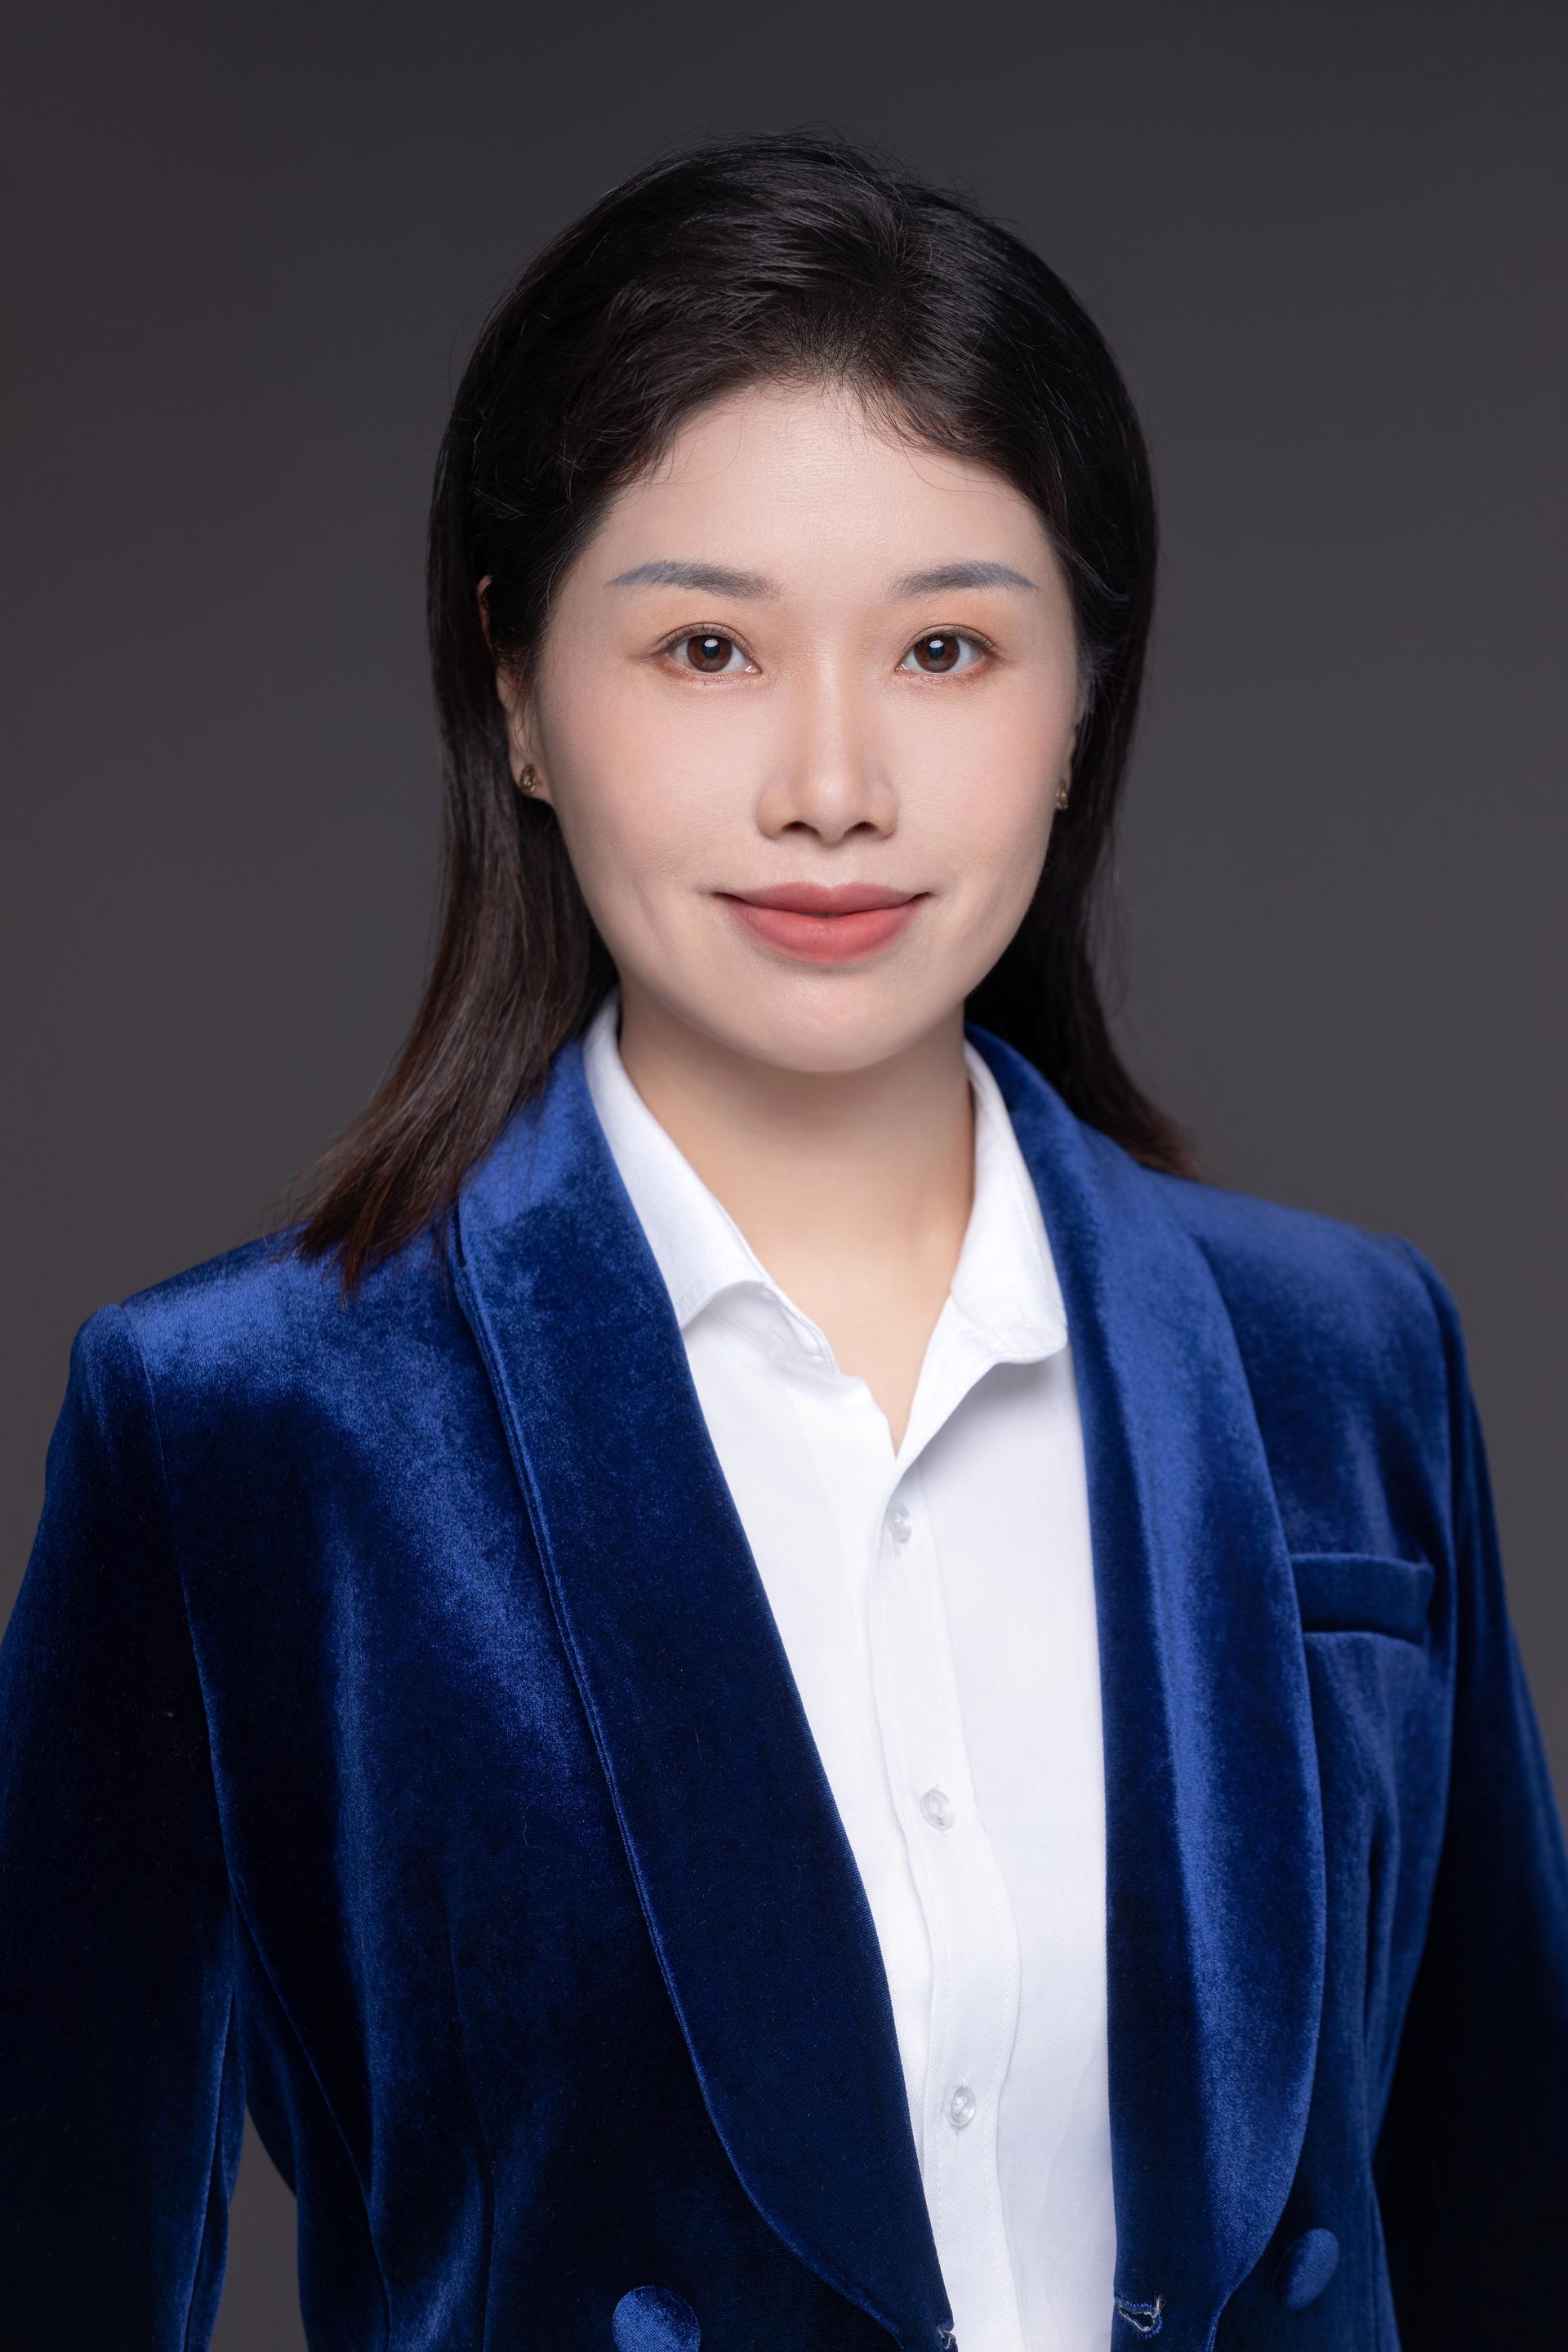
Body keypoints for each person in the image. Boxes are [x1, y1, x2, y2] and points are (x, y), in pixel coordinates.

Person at [1, 130, 1564, 2352]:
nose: (833, 783)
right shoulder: (244, 1430)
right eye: (709, 647)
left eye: (945, 646)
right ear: (518, 693)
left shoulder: (1346, 1354)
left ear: (1081, 698)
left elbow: (1507, 2219)